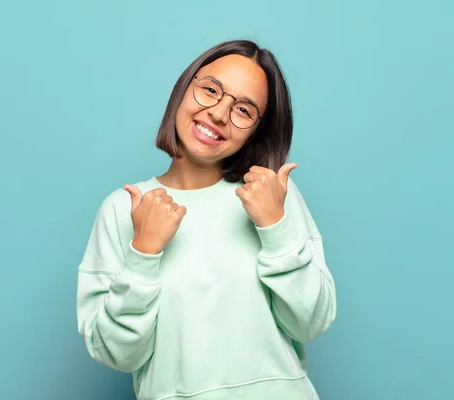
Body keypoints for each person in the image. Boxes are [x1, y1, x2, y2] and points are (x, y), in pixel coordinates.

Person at [76, 39, 337, 400]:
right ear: (185, 88)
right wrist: (143, 252)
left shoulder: (274, 195)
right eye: (211, 90)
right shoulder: (124, 209)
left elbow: (311, 323)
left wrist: (276, 227)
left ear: (256, 131)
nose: (217, 113)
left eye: (243, 110)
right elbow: (117, 354)